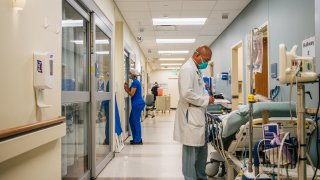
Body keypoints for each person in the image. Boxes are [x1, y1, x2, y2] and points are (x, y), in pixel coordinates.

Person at [173, 45, 215, 180]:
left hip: (198, 114)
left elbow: (198, 90)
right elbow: (186, 93)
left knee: (202, 152)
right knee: (191, 154)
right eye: (206, 60)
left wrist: (207, 96)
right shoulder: (187, 69)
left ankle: (201, 177)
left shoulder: (196, 70)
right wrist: (205, 100)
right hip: (191, 116)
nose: (206, 63)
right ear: (197, 55)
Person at [124, 69, 146, 145]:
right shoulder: (134, 82)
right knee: (131, 120)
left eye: (130, 73)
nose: (129, 74)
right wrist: (127, 88)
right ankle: (135, 138)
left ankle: (138, 140)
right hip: (137, 103)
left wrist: (126, 89)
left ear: (133, 75)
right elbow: (130, 91)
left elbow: (131, 94)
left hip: (138, 104)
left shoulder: (135, 82)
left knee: (136, 121)